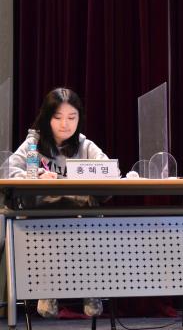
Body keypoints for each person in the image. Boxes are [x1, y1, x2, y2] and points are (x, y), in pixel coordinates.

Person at [9, 88, 108, 318]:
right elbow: (9, 169)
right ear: (47, 118)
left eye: (72, 117)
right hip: (42, 220)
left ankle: (91, 288)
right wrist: (35, 176)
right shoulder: (33, 144)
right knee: (49, 224)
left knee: (92, 218)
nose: (65, 124)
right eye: (58, 117)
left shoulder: (84, 145)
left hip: (80, 220)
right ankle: (48, 287)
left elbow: (107, 169)